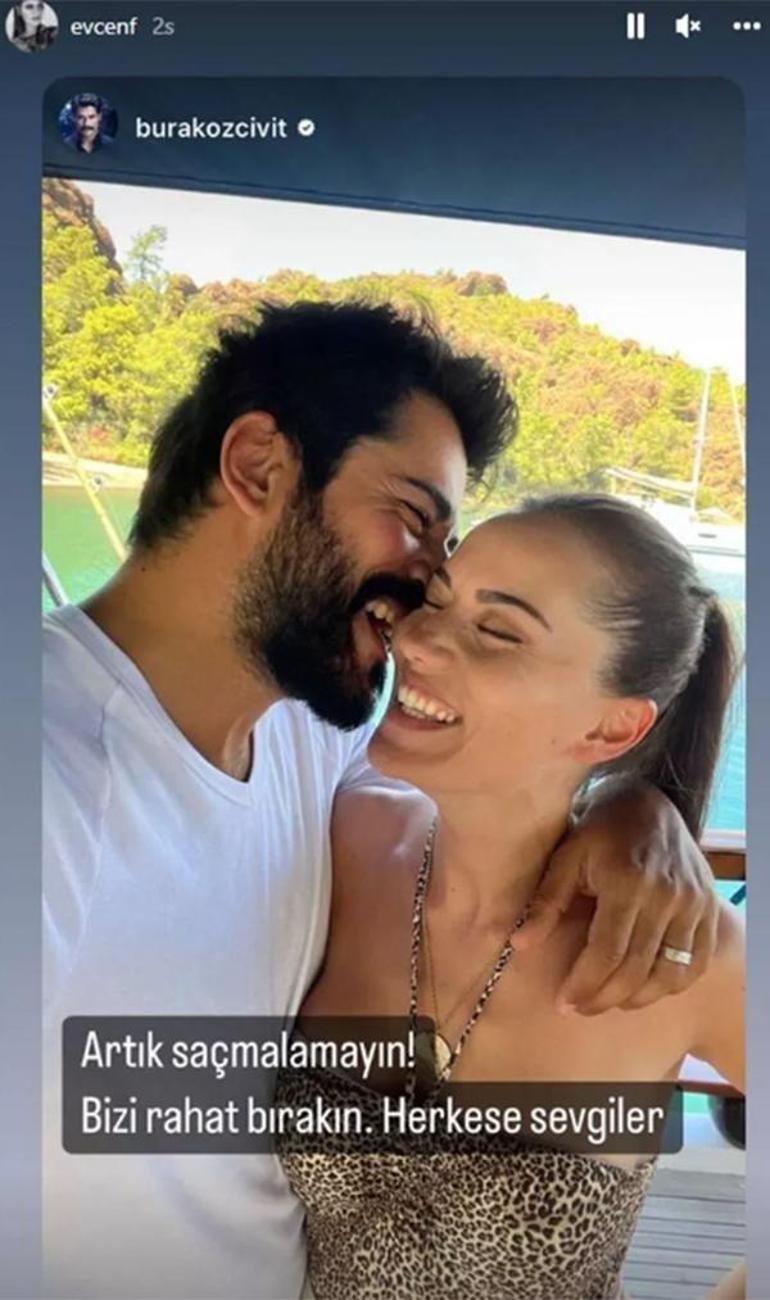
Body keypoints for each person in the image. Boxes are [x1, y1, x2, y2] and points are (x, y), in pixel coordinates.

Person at [44, 303, 720, 1300]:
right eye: (414, 521)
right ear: (258, 467)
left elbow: (504, 769)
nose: (415, 609)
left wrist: (636, 806)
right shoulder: (51, 774)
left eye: (447, 566)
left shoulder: (307, 738)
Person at [279, 495, 744, 1300]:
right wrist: (636, 802)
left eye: (497, 631)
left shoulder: (675, 955)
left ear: (610, 730)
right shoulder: (344, 840)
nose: (415, 638)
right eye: (437, 598)